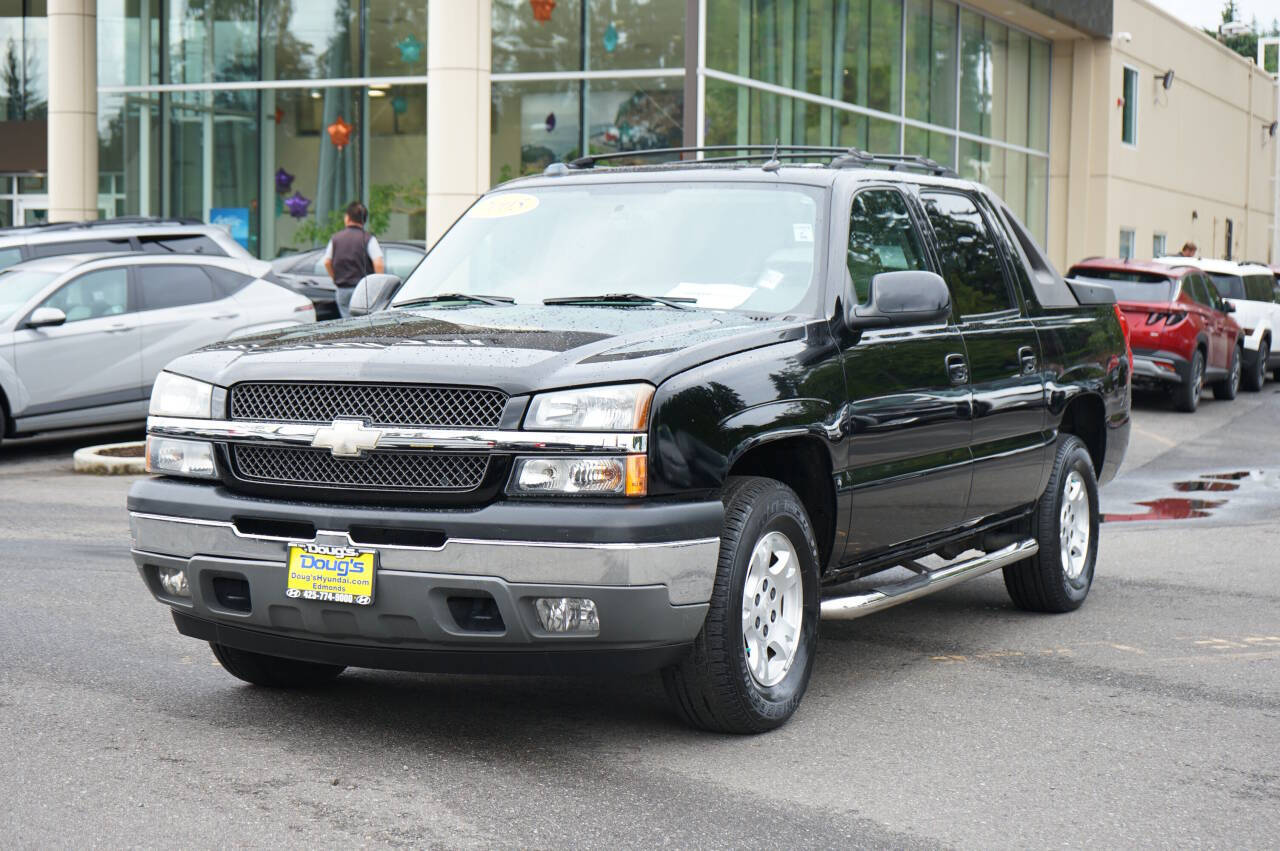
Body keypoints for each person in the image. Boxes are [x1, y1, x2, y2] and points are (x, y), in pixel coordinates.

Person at [323, 201, 385, 317]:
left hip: (343, 289)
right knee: (364, 323)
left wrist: (335, 278)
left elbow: (327, 261)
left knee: (347, 324)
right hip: (363, 290)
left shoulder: (336, 238)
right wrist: (377, 286)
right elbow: (379, 264)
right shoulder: (368, 239)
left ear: (347, 218)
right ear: (364, 220)